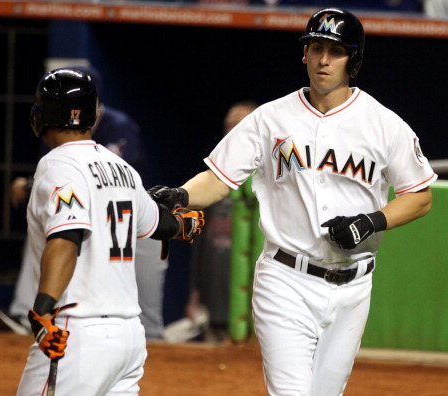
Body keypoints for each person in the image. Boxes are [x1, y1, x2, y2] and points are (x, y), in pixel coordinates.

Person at [149, 8, 437, 395]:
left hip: (354, 287)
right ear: (304, 53)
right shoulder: (270, 119)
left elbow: (419, 196)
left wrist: (371, 221)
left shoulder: (383, 124)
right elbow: (218, 179)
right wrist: (182, 194)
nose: (323, 59)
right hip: (285, 280)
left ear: (354, 58)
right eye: (316, 48)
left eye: (335, 50)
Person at [15, 68, 204, 395]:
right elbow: (162, 225)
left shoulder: (58, 165)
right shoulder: (123, 168)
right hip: (128, 337)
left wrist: (43, 309)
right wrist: (185, 224)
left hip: (78, 331)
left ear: (44, 114)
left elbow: (66, 237)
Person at [0, 65, 168, 340]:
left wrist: (45, 307)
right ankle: (23, 311)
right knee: (52, 226)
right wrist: (181, 222)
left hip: (130, 219)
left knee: (64, 230)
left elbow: (84, 189)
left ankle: (153, 334)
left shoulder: (117, 126)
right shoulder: (65, 140)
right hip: (136, 218)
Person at [184, 101, 258, 343]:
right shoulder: (214, 180)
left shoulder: (271, 180)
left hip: (253, 310)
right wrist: (195, 296)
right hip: (213, 299)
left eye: (241, 125)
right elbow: (201, 241)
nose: (233, 132)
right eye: (230, 126)